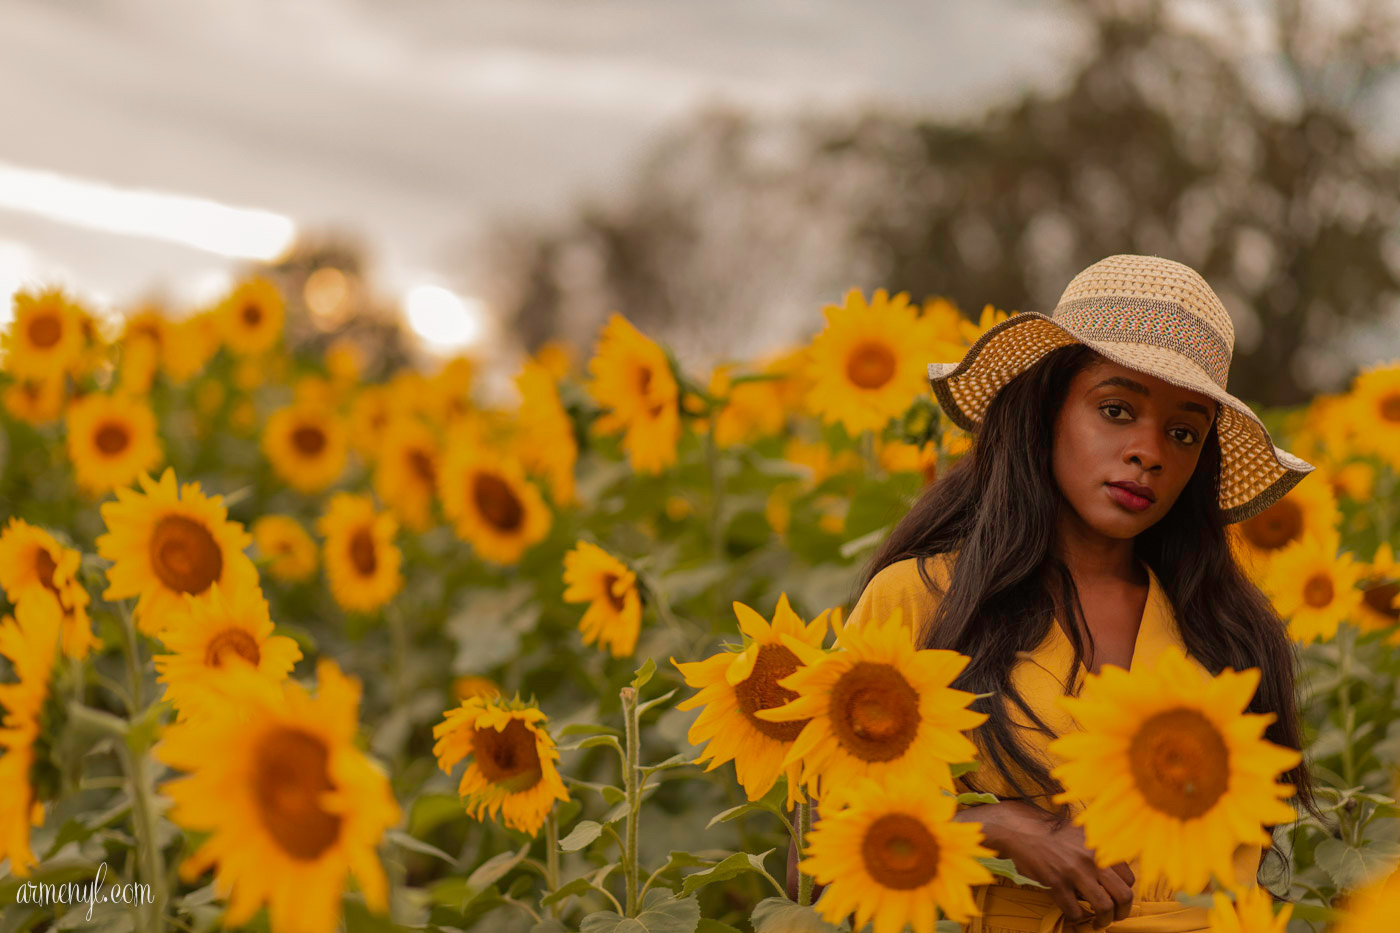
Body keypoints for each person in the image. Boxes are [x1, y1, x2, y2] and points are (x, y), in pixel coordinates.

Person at [785, 254, 1321, 931]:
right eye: (1117, 408)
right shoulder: (922, 600)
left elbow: (1242, 886)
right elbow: (814, 860)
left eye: (1183, 432)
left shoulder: (1229, 633)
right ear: (1045, 409)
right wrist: (994, 827)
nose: (1149, 451)